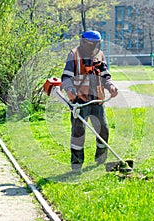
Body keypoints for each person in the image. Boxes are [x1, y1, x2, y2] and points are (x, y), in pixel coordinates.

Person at [61, 30, 118, 173]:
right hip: (80, 101)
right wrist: (69, 90)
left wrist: (111, 86)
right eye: (89, 44)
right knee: (78, 134)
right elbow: (66, 77)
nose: (92, 46)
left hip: (97, 101)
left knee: (103, 129)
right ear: (83, 42)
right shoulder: (73, 55)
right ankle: (76, 166)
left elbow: (105, 75)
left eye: (95, 44)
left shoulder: (100, 55)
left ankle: (100, 160)